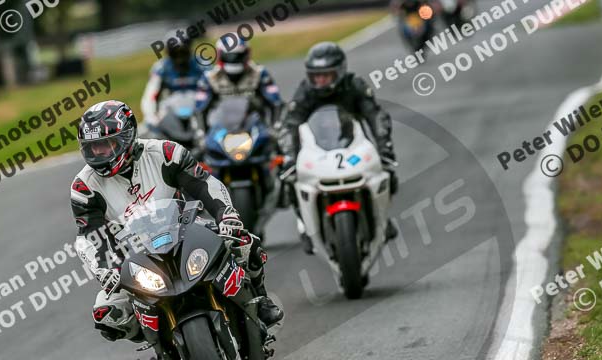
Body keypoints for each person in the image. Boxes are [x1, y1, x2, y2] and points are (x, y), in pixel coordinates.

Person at [70, 100, 283, 342]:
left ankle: (261, 301)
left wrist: (226, 216)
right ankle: (157, 340)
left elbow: (204, 184)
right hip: (132, 255)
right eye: (92, 147)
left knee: (245, 243)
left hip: (187, 230)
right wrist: (105, 268)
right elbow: (89, 235)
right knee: (107, 313)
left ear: (127, 137)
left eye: (105, 145)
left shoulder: (165, 153)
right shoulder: (84, 186)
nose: (98, 154)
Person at [278, 42, 399, 251]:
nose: (320, 81)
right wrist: (290, 158)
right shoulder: (305, 91)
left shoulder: (355, 86)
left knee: (388, 171)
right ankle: (305, 225)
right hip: (318, 149)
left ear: (340, 71)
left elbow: (375, 115)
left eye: (326, 75)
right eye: (316, 76)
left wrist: (384, 147)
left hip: (353, 144)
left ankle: (382, 218)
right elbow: (290, 123)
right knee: (290, 180)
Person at [197, 34, 283, 128]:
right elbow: (200, 108)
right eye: (229, 56)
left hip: (254, 126)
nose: (233, 59)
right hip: (221, 128)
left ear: (247, 54)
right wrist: (202, 132)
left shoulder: (259, 73)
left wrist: (275, 127)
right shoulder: (210, 77)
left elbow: (275, 102)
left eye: (238, 56)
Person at [141, 34, 209, 129]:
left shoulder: (202, 64)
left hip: (200, 107)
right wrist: (151, 116)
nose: (180, 57)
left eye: (183, 52)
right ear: (168, 53)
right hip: (171, 108)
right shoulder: (160, 68)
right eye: (175, 53)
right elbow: (150, 95)